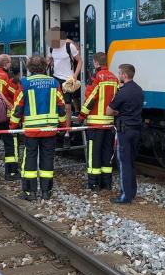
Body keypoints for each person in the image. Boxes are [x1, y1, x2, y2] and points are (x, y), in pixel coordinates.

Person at [10, 55, 67, 201]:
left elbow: (18, 107)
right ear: (44, 67)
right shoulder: (54, 82)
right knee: (48, 158)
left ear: (29, 67)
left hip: (31, 130)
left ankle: (30, 192)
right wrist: (63, 125)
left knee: (30, 158)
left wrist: (13, 126)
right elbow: (61, 106)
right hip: (50, 129)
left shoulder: (25, 82)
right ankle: (46, 192)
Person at [78, 52, 119, 191]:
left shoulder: (96, 77)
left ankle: (93, 184)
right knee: (107, 153)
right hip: (109, 123)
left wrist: (82, 116)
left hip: (95, 124)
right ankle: (107, 183)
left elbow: (90, 98)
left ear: (95, 62)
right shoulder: (114, 78)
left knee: (94, 154)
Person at [106, 63, 144, 205]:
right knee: (131, 162)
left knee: (123, 163)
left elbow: (108, 111)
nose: (119, 75)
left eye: (120, 73)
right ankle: (132, 192)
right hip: (136, 130)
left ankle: (125, 196)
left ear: (124, 75)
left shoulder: (123, 92)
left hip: (124, 131)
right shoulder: (139, 90)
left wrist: (117, 112)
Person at [0, 54, 20, 180]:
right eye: (10, 63)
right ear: (6, 64)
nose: (10, 65)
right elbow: (13, 93)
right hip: (4, 115)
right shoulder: (6, 77)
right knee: (10, 143)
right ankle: (11, 172)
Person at [47, 28, 83, 115]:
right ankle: (59, 124)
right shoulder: (51, 48)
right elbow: (51, 61)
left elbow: (80, 61)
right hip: (55, 77)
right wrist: (48, 62)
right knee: (56, 103)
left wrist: (75, 75)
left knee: (67, 105)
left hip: (67, 79)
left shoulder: (69, 46)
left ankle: (67, 127)